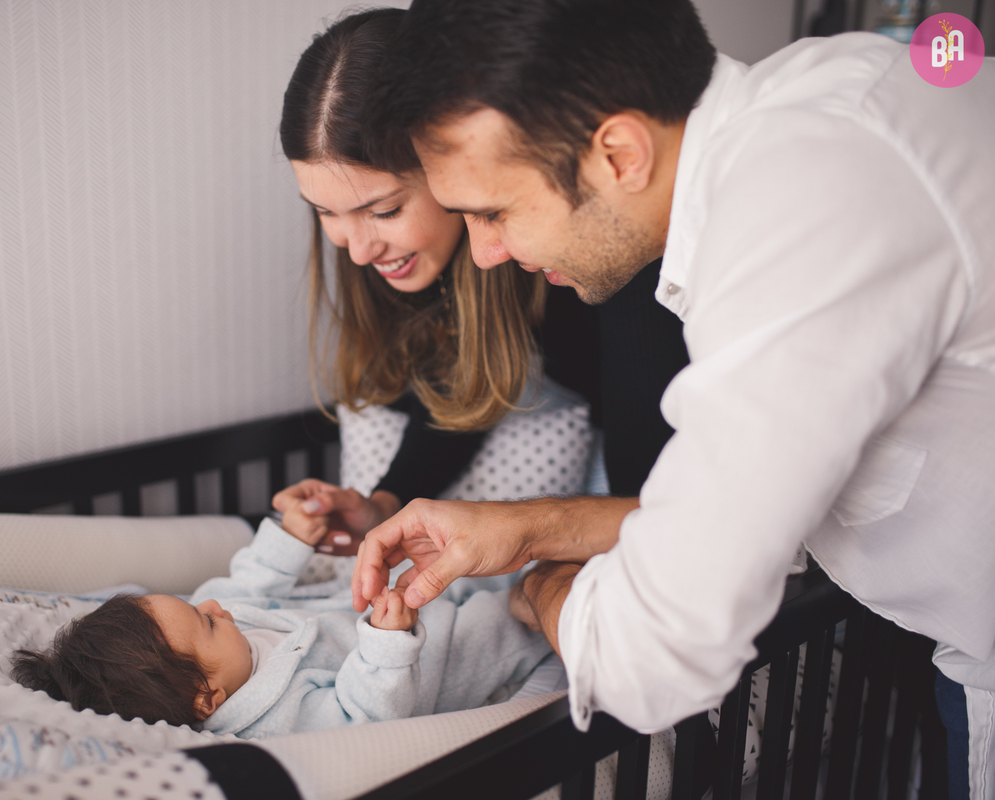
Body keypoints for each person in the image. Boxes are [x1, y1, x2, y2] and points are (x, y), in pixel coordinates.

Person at [348, 0, 995, 793]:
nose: (485, 255)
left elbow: (650, 657)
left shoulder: (801, 207)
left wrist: (545, 589)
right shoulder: (813, 100)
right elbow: (769, 510)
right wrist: (527, 530)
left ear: (618, 154)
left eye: (495, 212)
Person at [269, 8, 688, 554]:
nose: (357, 249)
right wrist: (387, 502)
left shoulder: (608, 258)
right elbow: (458, 379)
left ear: (453, 169)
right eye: (325, 212)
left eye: (386, 210)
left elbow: (654, 506)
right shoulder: (433, 263)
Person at [11, 516, 551, 738]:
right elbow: (362, 716)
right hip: (436, 663)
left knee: (467, 568)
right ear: (207, 698)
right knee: (505, 620)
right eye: (206, 621)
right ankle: (546, 602)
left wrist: (289, 538)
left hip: (388, 609)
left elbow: (247, 584)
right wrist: (386, 647)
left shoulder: (219, 641)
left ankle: (532, 569)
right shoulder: (280, 720)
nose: (217, 606)